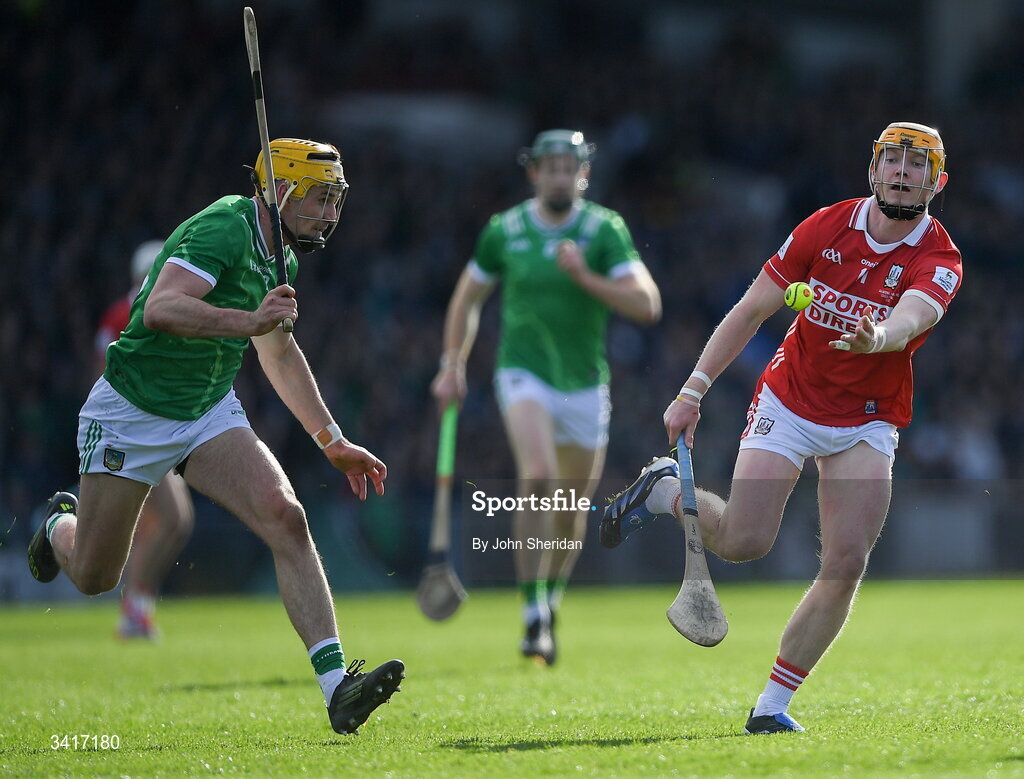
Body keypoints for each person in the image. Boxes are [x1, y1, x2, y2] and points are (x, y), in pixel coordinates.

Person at [28, 138, 404, 734]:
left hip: (208, 411)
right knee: (98, 577)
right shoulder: (224, 228)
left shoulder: (284, 257)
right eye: (320, 199)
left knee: (287, 517)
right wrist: (250, 320)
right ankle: (57, 528)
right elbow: (160, 309)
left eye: (336, 200)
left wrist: (331, 440)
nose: (331, 214)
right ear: (280, 192)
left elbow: (278, 351)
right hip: (132, 410)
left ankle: (338, 689)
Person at [602, 122, 961, 732]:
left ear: (937, 181)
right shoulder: (824, 228)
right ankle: (664, 489)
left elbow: (911, 316)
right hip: (790, 399)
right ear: (873, 170)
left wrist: (880, 335)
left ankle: (771, 708)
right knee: (745, 542)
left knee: (846, 562)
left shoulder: (940, 256)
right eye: (893, 161)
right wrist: (692, 391)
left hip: (867, 420)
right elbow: (751, 310)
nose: (903, 172)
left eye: (917, 165)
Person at [431, 129, 662, 665]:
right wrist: (451, 364)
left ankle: (551, 597)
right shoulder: (504, 231)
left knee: (569, 512)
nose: (560, 176)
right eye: (550, 167)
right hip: (522, 372)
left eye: (570, 167)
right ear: (533, 172)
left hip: (584, 383)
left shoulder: (604, 230)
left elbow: (646, 305)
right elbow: (467, 299)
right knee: (536, 476)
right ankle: (533, 614)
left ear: (583, 174)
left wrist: (586, 277)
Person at [94, 240, 196, 640]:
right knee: (172, 519)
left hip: (150, 431)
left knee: (163, 523)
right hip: (132, 433)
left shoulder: (126, 310)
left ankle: (137, 605)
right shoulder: (128, 312)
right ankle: (134, 606)